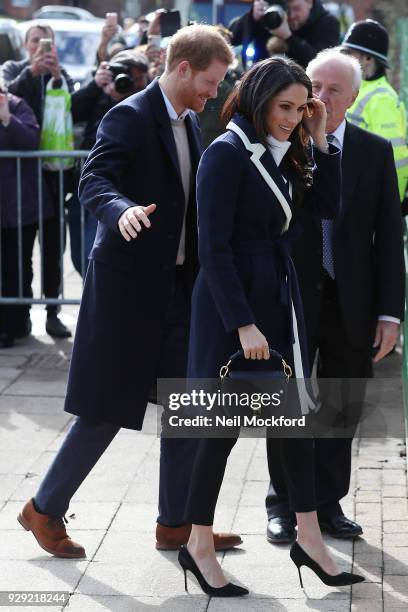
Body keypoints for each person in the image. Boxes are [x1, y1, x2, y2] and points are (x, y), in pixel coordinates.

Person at [17, 25, 241, 559]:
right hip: (128, 292)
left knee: (188, 405)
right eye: (210, 80)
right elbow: (94, 178)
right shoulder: (131, 115)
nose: (214, 91)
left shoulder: (192, 120)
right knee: (106, 408)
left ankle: (176, 523)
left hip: (179, 291)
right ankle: (43, 511)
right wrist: (122, 212)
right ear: (182, 67)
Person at [179, 56, 364, 597]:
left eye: (298, 107)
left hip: (277, 300)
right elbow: (212, 249)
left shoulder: (286, 151)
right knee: (219, 433)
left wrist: (320, 135)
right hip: (232, 310)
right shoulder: (227, 153)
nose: (291, 117)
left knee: (293, 428)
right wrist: (242, 325)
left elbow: (326, 205)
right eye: (284, 107)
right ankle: (198, 544)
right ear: (259, 100)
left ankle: (309, 537)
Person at [265, 49, 405, 544]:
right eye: (313, 86)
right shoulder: (281, 146)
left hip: (353, 300)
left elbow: (388, 237)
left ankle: (327, 503)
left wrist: (390, 313)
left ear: (354, 97)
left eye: (332, 90)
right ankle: (283, 503)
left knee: (342, 404)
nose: (319, 97)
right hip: (292, 296)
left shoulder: (372, 151)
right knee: (288, 401)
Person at [1, 23, 74, 339]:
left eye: (47, 43)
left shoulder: (60, 72)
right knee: (20, 252)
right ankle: (22, 314)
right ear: (26, 45)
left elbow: (76, 105)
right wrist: (31, 72)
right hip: (23, 179)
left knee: (54, 251)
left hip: (54, 176)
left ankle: (52, 312)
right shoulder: (14, 68)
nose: (41, 48)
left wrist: (57, 76)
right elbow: (7, 98)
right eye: (35, 41)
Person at [69, 50, 150, 276]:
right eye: (124, 75)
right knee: (80, 255)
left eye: (136, 78)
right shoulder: (100, 95)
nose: (129, 83)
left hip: (125, 193)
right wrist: (96, 88)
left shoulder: (147, 103)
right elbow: (71, 110)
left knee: (99, 259)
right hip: (89, 185)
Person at [0, 83, 52, 348]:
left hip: (20, 207)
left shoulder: (18, 105)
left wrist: (7, 118)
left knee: (18, 266)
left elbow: (31, 140)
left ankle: (16, 323)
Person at [341, 20, 408, 206]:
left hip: (369, 201)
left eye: (349, 53)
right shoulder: (359, 88)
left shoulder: (382, 99)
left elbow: (395, 159)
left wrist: (391, 205)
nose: (344, 58)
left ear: (367, 58)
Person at [229, 0, 340, 68]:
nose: (291, 16)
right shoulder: (272, 17)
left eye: (296, 8)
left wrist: (288, 37)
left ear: (309, 2)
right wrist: (252, 17)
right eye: (286, 9)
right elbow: (232, 39)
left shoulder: (328, 23)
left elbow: (320, 63)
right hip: (264, 86)